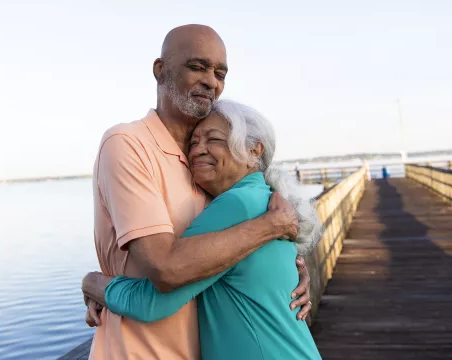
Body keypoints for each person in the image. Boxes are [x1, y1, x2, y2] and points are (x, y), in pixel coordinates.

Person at [87, 24, 313, 360]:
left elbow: (234, 247)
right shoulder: (129, 144)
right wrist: (272, 227)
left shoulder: (213, 173)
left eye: (220, 72)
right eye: (197, 67)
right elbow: (166, 269)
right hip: (143, 350)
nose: (212, 81)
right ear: (160, 70)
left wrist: (290, 264)